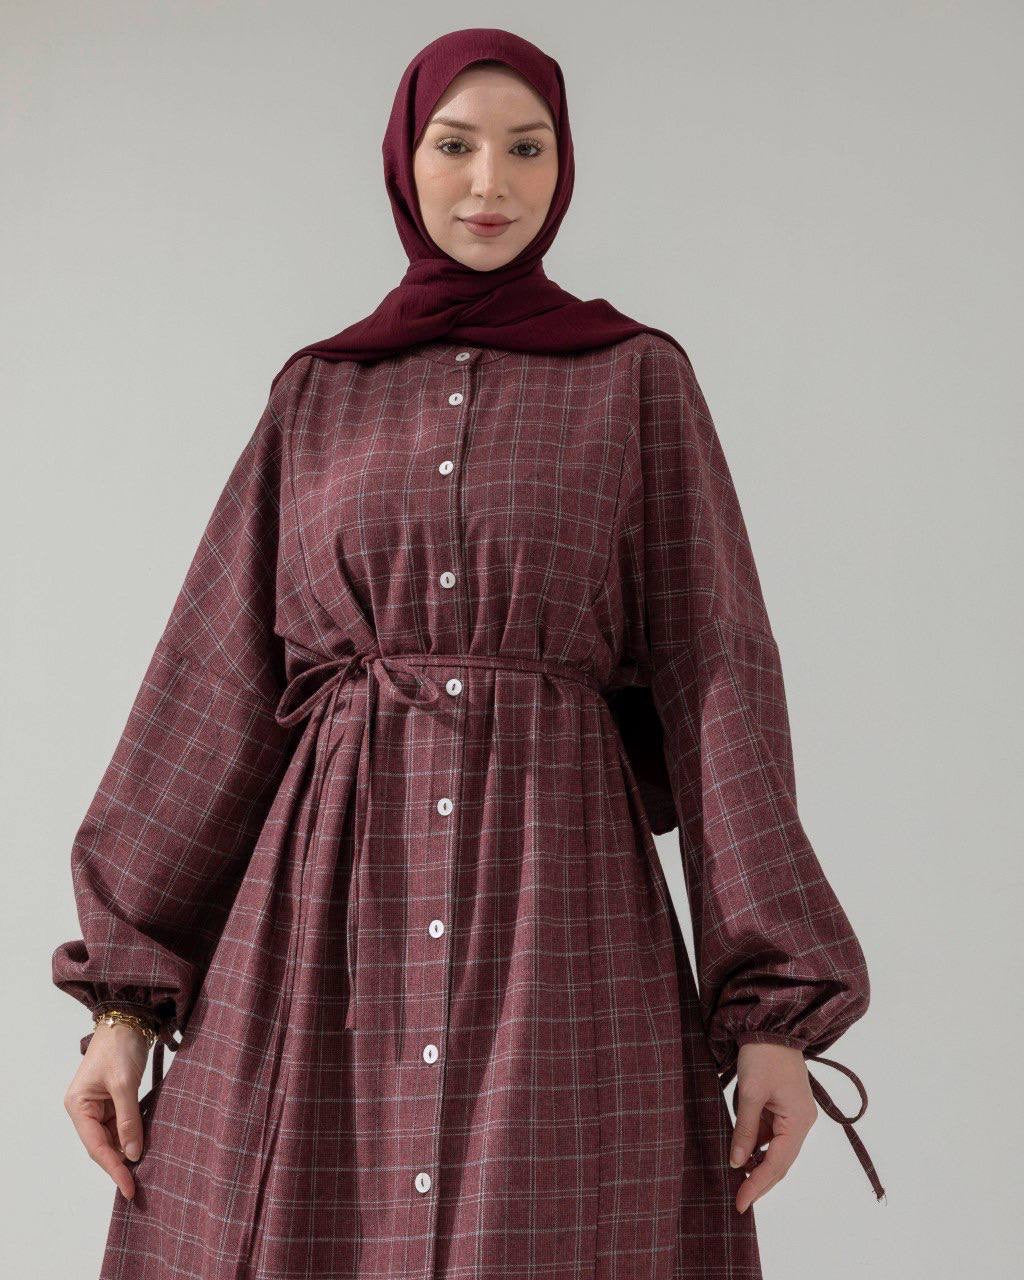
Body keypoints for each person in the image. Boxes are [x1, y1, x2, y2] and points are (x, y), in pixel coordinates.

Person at [52, 26, 884, 1280]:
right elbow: (209, 685)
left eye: (525, 148)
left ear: (564, 165)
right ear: (405, 159)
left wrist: (773, 1013)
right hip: (324, 930)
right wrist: (122, 1006)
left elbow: (717, 678)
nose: (490, 183)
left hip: (561, 919)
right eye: (455, 145)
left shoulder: (636, 382)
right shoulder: (316, 393)